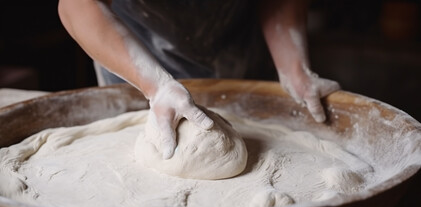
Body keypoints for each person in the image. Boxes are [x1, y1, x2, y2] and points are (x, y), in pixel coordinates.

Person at [58, 0, 340, 159]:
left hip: (238, 49)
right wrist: (155, 86)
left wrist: (294, 68)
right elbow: (76, 6)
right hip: (134, 52)